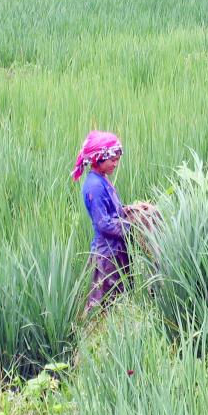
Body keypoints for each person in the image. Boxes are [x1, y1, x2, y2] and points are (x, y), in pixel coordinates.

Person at [72, 130, 132, 313]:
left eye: (117, 160)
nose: (115, 164)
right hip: (106, 256)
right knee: (101, 304)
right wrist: (130, 226)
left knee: (119, 298)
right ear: (98, 159)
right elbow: (103, 223)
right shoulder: (95, 186)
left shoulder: (103, 179)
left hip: (116, 249)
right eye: (112, 160)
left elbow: (114, 212)